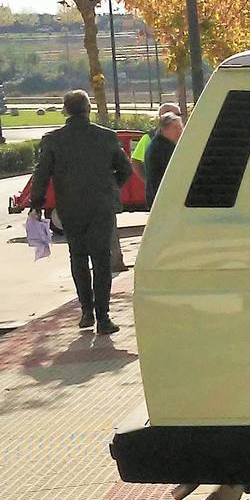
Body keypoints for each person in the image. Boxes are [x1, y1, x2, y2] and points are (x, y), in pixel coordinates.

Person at [28, 89, 134, 335]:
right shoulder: (106, 137)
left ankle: (86, 310)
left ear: (65, 110)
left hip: (71, 207)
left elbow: (41, 174)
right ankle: (103, 317)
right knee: (101, 259)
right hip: (101, 207)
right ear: (88, 108)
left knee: (78, 257)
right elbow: (126, 170)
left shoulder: (53, 140)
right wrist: (110, 188)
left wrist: (37, 202)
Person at [142, 112, 183, 206]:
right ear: (164, 129)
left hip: (157, 197)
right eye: (176, 128)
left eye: (181, 127)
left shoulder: (158, 144)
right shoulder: (163, 148)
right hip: (164, 199)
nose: (180, 131)